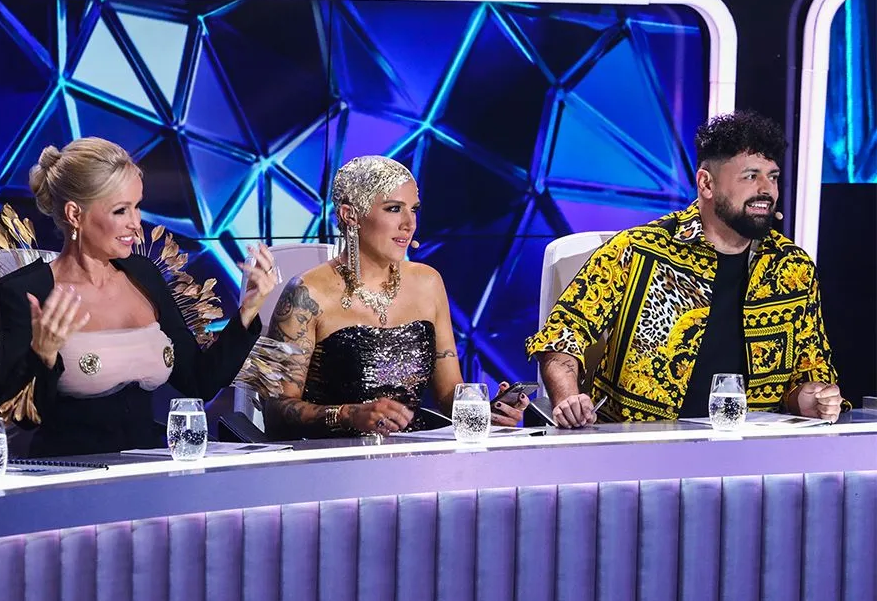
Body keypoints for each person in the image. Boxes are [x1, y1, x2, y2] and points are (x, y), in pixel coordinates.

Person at [527, 111, 848, 428]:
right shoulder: (637, 251)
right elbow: (561, 336)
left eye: (773, 177)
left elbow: (810, 368)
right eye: (751, 176)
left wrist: (807, 398)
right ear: (706, 183)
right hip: (638, 441)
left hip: (751, 446)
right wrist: (569, 398)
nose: (767, 189)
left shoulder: (792, 268)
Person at [0, 137, 279, 456]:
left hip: (149, 467)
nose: (136, 223)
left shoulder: (144, 275)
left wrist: (248, 310)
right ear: (75, 214)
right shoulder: (26, 292)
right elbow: (21, 419)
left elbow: (200, 381)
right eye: (121, 210)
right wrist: (43, 355)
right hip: (69, 471)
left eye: (137, 206)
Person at [263, 155, 529, 439]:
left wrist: (484, 412)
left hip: (416, 451)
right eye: (394, 209)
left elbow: (448, 394)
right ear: (350, 215)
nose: (409, 223)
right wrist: (348, 415)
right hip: (335, 455)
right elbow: (277, 411)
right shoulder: (307, 294)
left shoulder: (428, 283)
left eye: (413, 210)